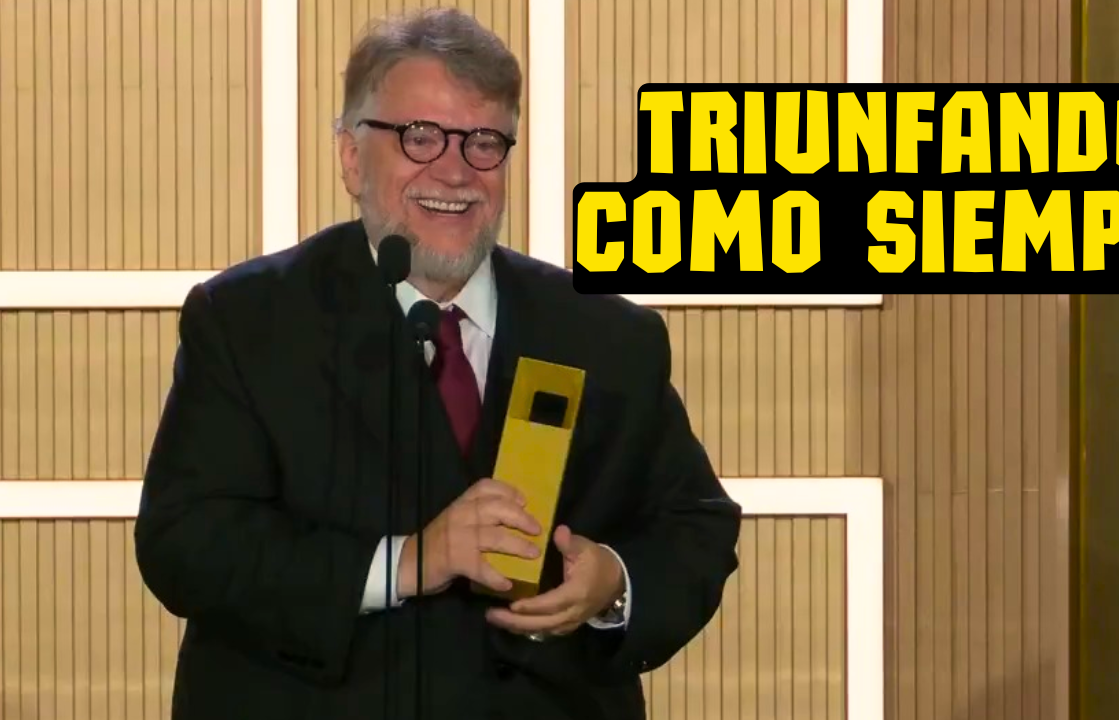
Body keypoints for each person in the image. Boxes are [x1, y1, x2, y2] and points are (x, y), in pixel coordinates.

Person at [133, 7, 741, 720]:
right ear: (351, 157)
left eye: (484, 143)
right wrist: (407, 562)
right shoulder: (246, 319)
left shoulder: (606, 333)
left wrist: (614, 584)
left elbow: (694, 526)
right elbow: (186, 543)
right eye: (419, 137)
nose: (454, 171)